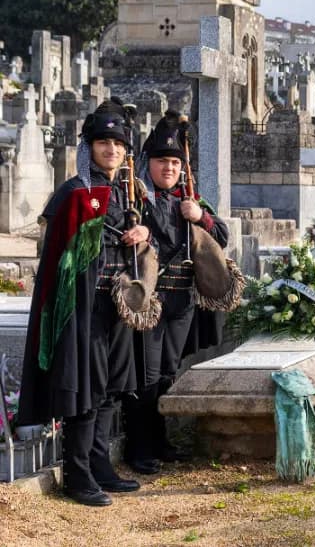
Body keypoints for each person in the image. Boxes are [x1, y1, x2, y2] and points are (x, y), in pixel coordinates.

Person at [17, 100, 149, 506]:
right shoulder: (74, 194)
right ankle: (77, 475)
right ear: (90, 147)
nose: (111, 150)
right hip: (83, 308)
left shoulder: (128, 193)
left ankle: (100, 466)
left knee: (110, 390)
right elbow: (61, 259)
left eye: (118, 144)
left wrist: (141, 233)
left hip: (118, 306)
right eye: (103, 142)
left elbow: (144, 242)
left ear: (127, 152)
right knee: (85, 392)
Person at [124, 110, 231, 475]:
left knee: (169, 371)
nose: (168, 168)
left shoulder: (191, 199)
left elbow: (220, 239)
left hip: (182, 300)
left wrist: (200, 217)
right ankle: (139, 448)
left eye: (174, 162)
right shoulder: (135, 198)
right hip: (150, 300)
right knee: (147, 374)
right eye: (161, 162)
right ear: (148, 164)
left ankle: (161, 442)